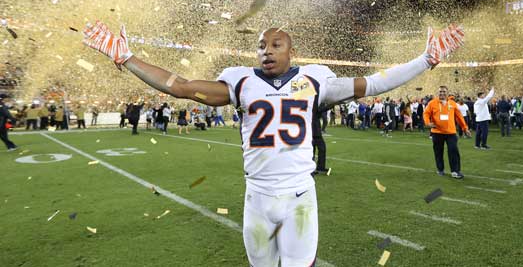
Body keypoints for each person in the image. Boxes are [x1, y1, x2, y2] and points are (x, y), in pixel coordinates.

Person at [82, 20, 463, 267]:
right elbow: (179, 86)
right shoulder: (240, 81)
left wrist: (426, 60)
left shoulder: (317, 81)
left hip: (299, 199)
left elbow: (376, 83)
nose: (266, 50)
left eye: (275, 45)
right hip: (257, 198)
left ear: (290, 51)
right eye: (262, 45)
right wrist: (126, 57)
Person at [423, 86, 471, 179]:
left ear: (447, 93)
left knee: (453, 150)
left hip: (451, 132)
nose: (442, 93)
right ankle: (440, 169)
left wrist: (465, 128)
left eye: (444, 91)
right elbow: (426, 113)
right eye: (440, 91)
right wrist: (427, 123)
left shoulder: (453, 104)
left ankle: (455, 171)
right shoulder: (432, 103)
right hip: (437, 132)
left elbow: (459, 116)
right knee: (438, 152)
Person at [312, 105, 330, 175]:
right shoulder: (313, 105)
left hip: (316, 131)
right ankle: (314, 169)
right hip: (314, 131)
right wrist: (331, 105)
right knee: (313, 151)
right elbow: (320, 109)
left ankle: (320, 167)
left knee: (321, 148)